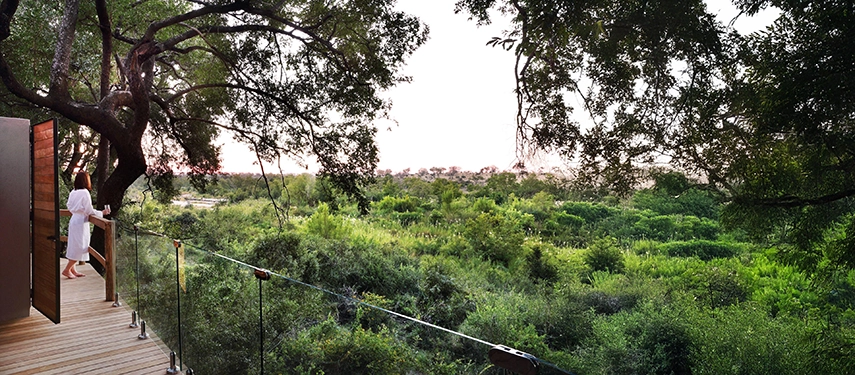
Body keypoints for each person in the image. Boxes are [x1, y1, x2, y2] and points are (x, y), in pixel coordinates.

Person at [63, 171, 110, 279]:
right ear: (86, 180)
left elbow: (69, 206)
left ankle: (73, 270)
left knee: (74, 244)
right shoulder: (84, 192)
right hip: (80, 222)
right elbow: (89, 210)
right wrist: (102, 213)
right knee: (80, 246)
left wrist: (78, 211)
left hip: (74, 219)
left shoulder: (73, 192)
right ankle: (67, 269)